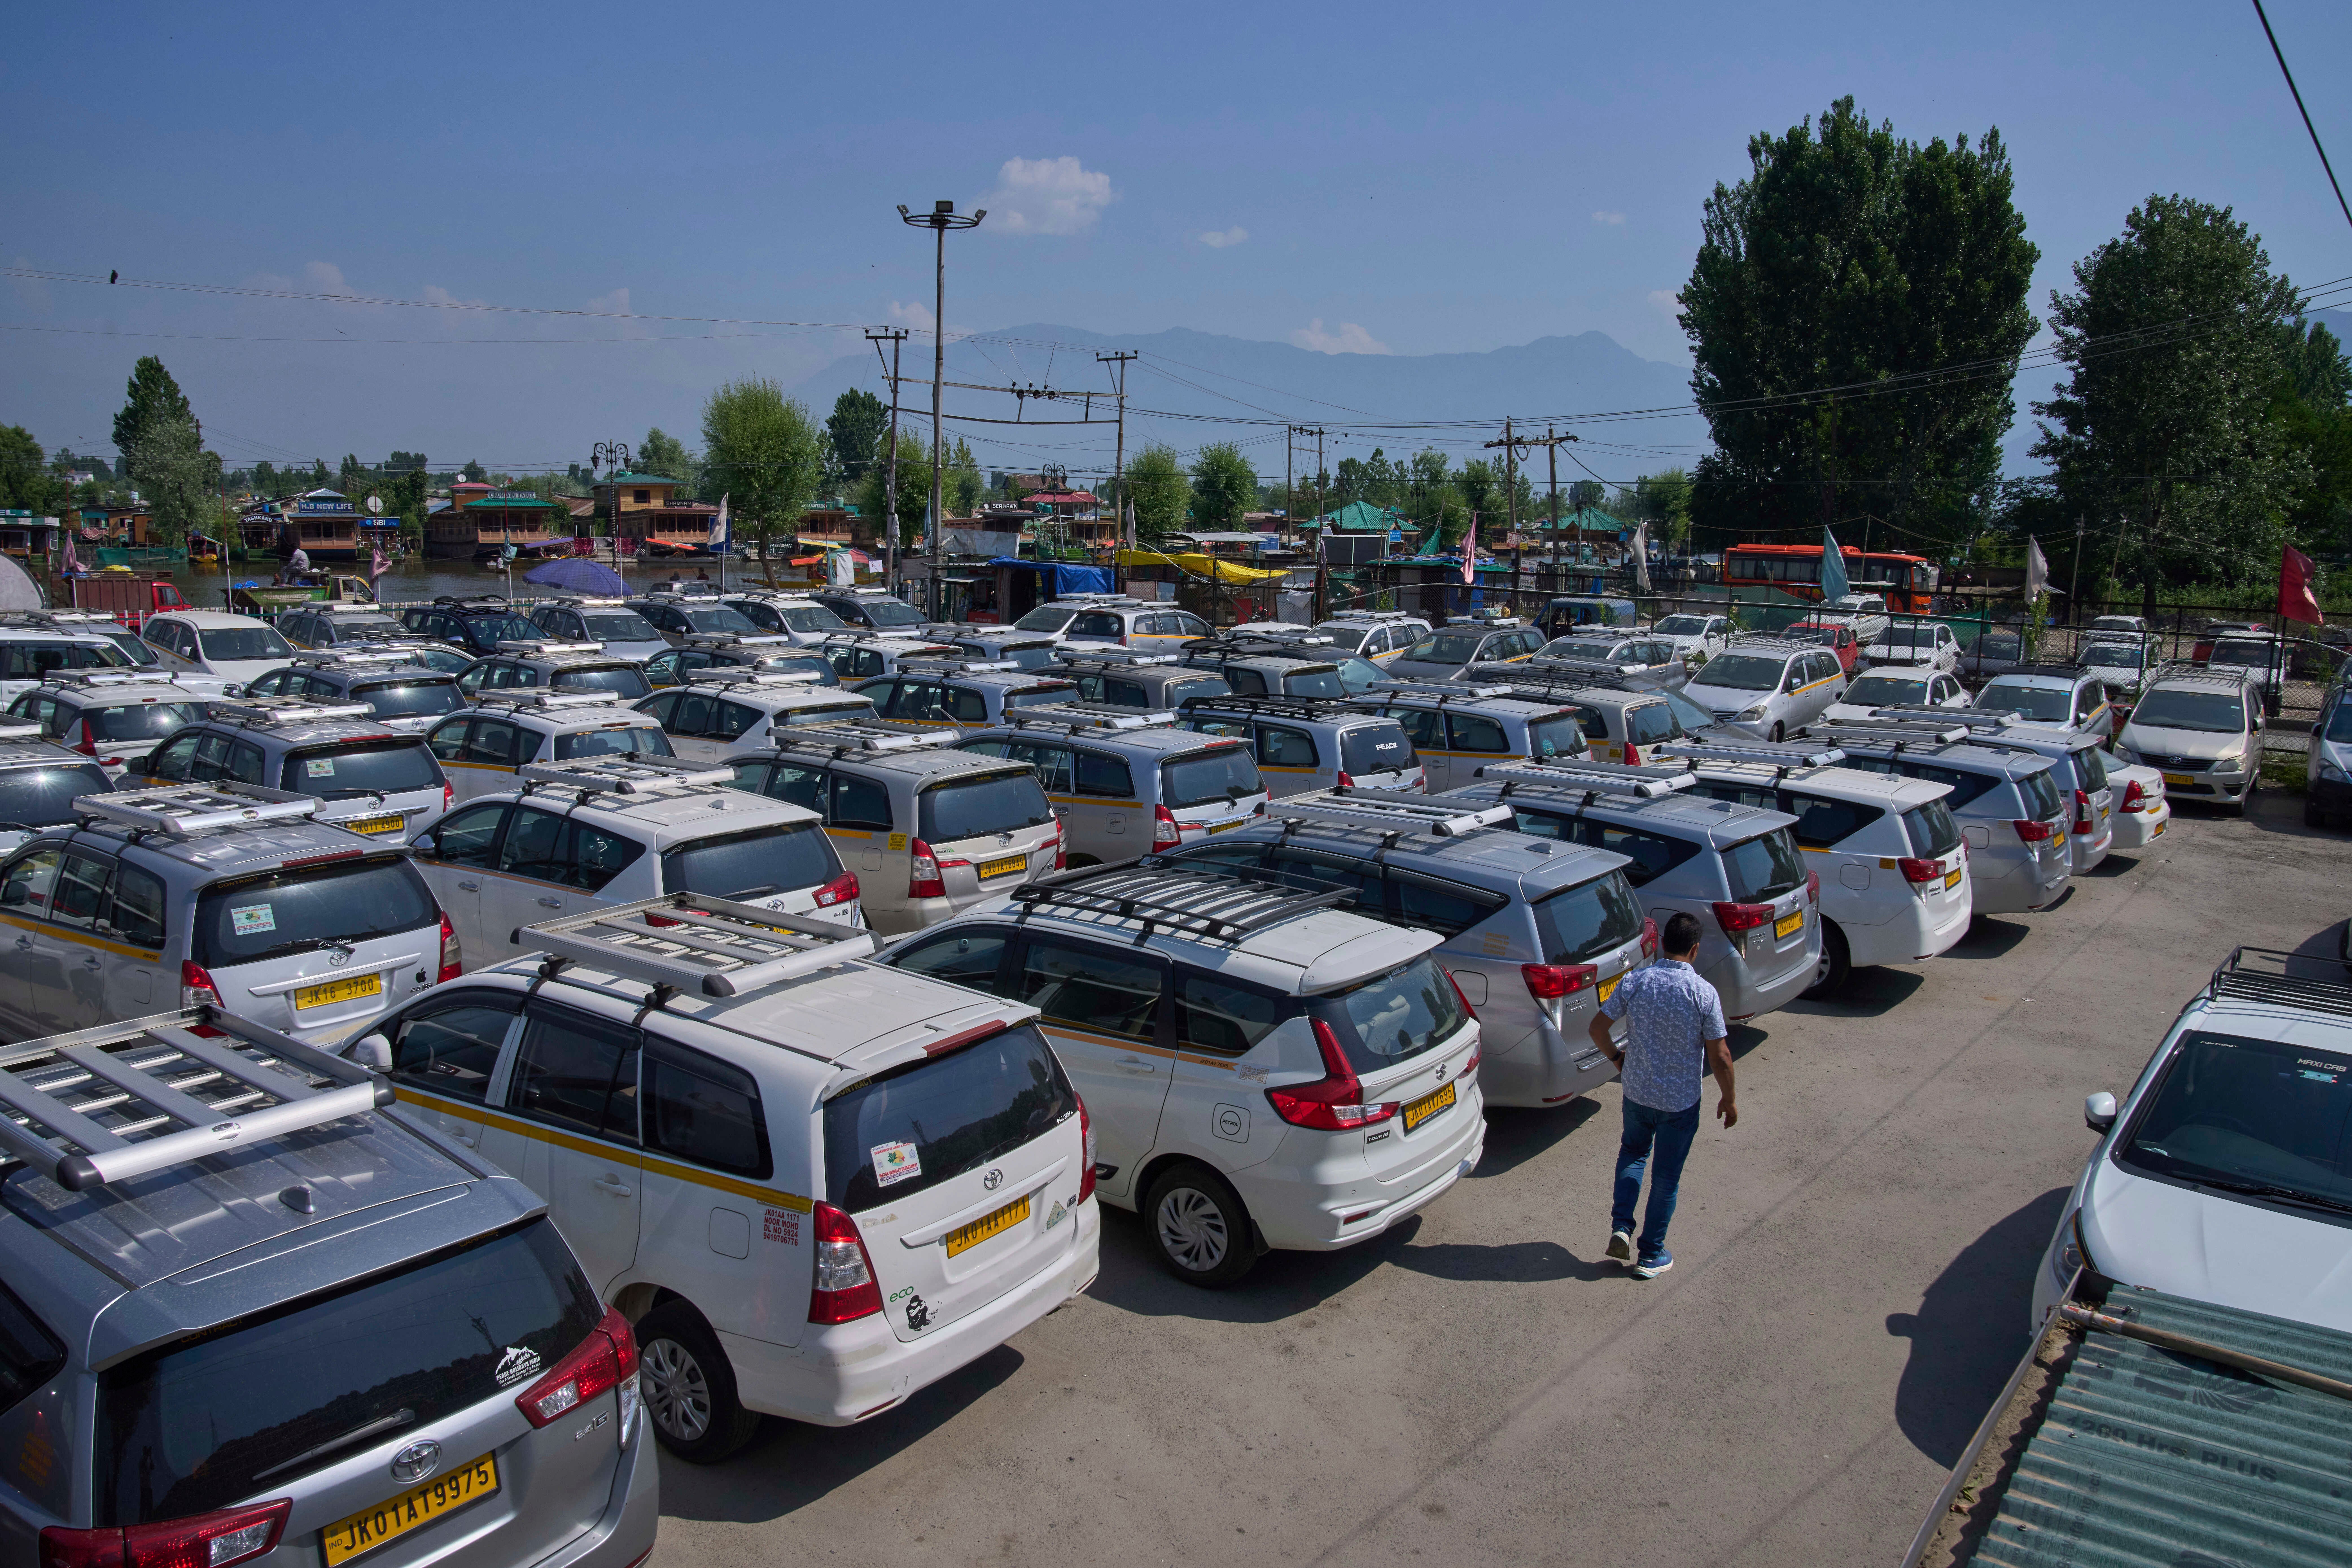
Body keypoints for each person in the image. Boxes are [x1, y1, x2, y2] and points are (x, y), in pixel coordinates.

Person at [1587, 911, 1737, 1278]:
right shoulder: (1703, 993)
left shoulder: (1635, 981)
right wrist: (1728, 1099)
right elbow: (1720, 1056)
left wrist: (1618, 1059)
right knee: (1666, 1176)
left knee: (1633, 1154)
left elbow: (1597, 1029)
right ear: (1696, 949)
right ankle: (1650, 1255)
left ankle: (1621, 1227)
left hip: (1637, 1092)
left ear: (1662, 944)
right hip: (1680, 1102)